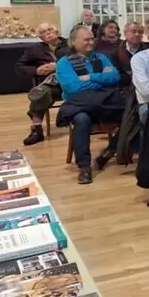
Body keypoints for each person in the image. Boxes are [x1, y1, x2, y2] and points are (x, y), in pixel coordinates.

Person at [55, 25, 123, 185]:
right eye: (86, 39)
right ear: (73, 41)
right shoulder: (64, 63)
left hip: (104, 103)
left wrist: (90, 77)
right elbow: (74, 88)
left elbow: (115, 77)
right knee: (81, 120)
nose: (91, 42)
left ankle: (109, 151)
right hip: (80, 104)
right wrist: (101, 81)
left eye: (92, 38)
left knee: (132, 115)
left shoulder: (100, 57)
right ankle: (84, 167)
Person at [16, 22, 69, 146]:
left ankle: (34, 112)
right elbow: (19, 66)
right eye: (43, 32)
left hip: (71, 81)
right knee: (43, 92)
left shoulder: (70, 44)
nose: (48, 33)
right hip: (52, 86)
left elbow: (81, 59)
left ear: (57, 31)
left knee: (40, 95)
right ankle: (37, 130)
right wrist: (36, 70)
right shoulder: (35, 49)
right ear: (41, 38)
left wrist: (57, 66)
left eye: (49, 29)